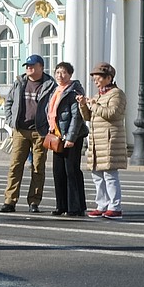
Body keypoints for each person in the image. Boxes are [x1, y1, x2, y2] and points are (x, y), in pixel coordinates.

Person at [0, 54, 55, 213]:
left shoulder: (49, 85)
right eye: (27, 66)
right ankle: (10, 201)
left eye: (32, 65)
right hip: (21, 131)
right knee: (15, 166)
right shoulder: (20, 82)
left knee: (38, 167)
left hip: (40, 132)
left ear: (41, 67)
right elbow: (8, 102)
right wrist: (11, 121)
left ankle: (34, 201)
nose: (28, 68)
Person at [78, 62, 127, 218]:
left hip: (109, 140)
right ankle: (102, 204)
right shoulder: (99, 95)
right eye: (94, 78)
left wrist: (92, 105)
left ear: (108, 78)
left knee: (110, 175)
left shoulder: (117, 94)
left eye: (98, 77)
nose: (95, 80)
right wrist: (83, 106)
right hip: (96, 141)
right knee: (97, 175)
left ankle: (115, 206)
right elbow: (88, 117)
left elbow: (112, 113)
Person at [44, 62, 87, 217]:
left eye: (63, 73)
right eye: (57, 72)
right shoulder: (55, 90)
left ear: (70, 75)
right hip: (57, 135)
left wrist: (71, 137)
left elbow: (77, 117)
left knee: (72, 171)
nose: (60, 76)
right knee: (58, 171)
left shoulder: (74, 91)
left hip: (71, 136)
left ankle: (76, 207)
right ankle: (61, 205)